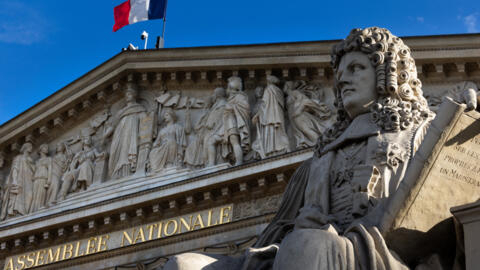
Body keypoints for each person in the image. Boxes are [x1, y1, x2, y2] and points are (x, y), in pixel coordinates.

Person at [164, 27, 474, 270]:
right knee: (183, 265)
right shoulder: (320, 157)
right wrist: (300, 227)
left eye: (356, 69)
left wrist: (470, 118)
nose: (342, 82)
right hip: (307, 250)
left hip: (381, 254)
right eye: (339, 76)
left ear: (388, 74)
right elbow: (272, 238)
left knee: (306, 246)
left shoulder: (424, 132)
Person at [105, 87, 147, 179]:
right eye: (126, 94)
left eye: (129, 94)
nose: (127, 96)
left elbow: (145, 121)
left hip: (132, 133)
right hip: (119, 134)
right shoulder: (120, 112)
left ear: (134, 95)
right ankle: (117, 172)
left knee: (127, 151)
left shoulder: (139, 108)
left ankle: (127, 171)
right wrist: (105, 136)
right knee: (116, 153)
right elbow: (113, 126)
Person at [252, 75, 290, 159]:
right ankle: (281, 147)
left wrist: (257, 115)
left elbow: (264, 105)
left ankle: (271, 150)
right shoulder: (278, 91)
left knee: (271, 130)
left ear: (268, 82)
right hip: (278, 115)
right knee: (279, 131)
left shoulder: (269, 89)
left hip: (271, 116)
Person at [1, 143, 35, 219]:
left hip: (29, 181)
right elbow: (15, 169)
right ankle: (17, 212)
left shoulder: (30, 160)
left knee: (30, 196)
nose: (31, 148)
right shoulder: (19, 158)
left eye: (31, 146)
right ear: (25, 148)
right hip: (20, 180)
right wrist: (15, 180)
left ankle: (25, 212)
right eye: (30, 146)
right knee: (18, 196)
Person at [223, 76, 251, 166]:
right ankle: (237, 160)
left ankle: (239, 162)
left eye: (228, 86)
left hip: (234, 122)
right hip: (230, 122)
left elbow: (246, 108)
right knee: (233, 142)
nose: (226, 89)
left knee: (234, 141)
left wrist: (232, 107)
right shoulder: (232, 98)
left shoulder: (239, 96)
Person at [30, 144, 51, 213]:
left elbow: (50, 170)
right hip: (36, 180)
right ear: (41, 150)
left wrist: (49, 180)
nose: (46, 149)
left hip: (43, 179)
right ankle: (32, 211)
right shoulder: (37, 161)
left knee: (41, 195)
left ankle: (39, 211)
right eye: (45, 147)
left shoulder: (48, 159)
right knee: (34, 196)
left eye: (47, 148)